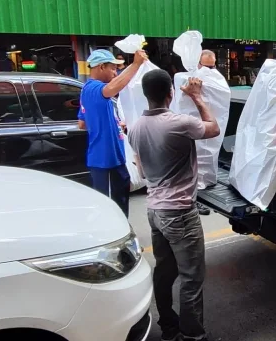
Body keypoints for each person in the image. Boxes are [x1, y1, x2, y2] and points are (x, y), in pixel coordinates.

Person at [128, 70, 220, 341]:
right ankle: (192, 335)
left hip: (154, 211)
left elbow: (142, 174)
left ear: (146, 95)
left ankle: (168, 328)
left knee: (165, 271)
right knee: (191, 277)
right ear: (170, 93)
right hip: (180, 213)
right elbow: (213, 128)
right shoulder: (179, 122)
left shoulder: (135, 128)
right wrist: (197, 97)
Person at [77, 49, 148, 218]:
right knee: (111, 207)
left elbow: (82, 123)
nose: (115, 73)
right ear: (101, 67)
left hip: (114, 159)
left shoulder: (92, 93)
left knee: (121, 200)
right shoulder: (93, 88)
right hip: (104, 161)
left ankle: (124, 233)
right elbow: (113, 88)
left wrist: (115, 124)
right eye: (113, 69)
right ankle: (117, 238)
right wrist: (136, 63)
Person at [195, 49, 217, 216]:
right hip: (196, 127)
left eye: (212, 67)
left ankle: (208, 178)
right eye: (205, 67)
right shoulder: (190, 78)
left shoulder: (217, 79)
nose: (208, 71)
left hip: (210, 127)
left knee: (210, 151)